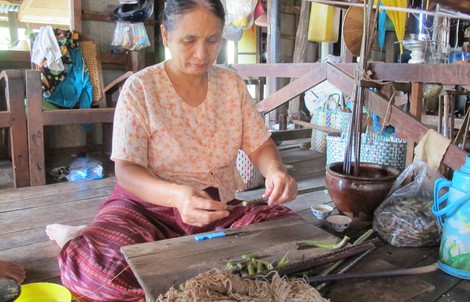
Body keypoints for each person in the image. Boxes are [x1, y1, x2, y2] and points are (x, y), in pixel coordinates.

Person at [46, 0, 298, 301]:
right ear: (165, 36)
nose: (202, 54)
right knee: (99, 272)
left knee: (288, 233)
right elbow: (127, 170)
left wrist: (275, 171)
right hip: (144, 209)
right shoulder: (141, 88)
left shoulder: (230, 84)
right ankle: (73, 237)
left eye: (212, 40)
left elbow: (259, 144)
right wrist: (177, 196)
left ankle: (189, 270)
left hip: (215, 209)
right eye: (188, 41)